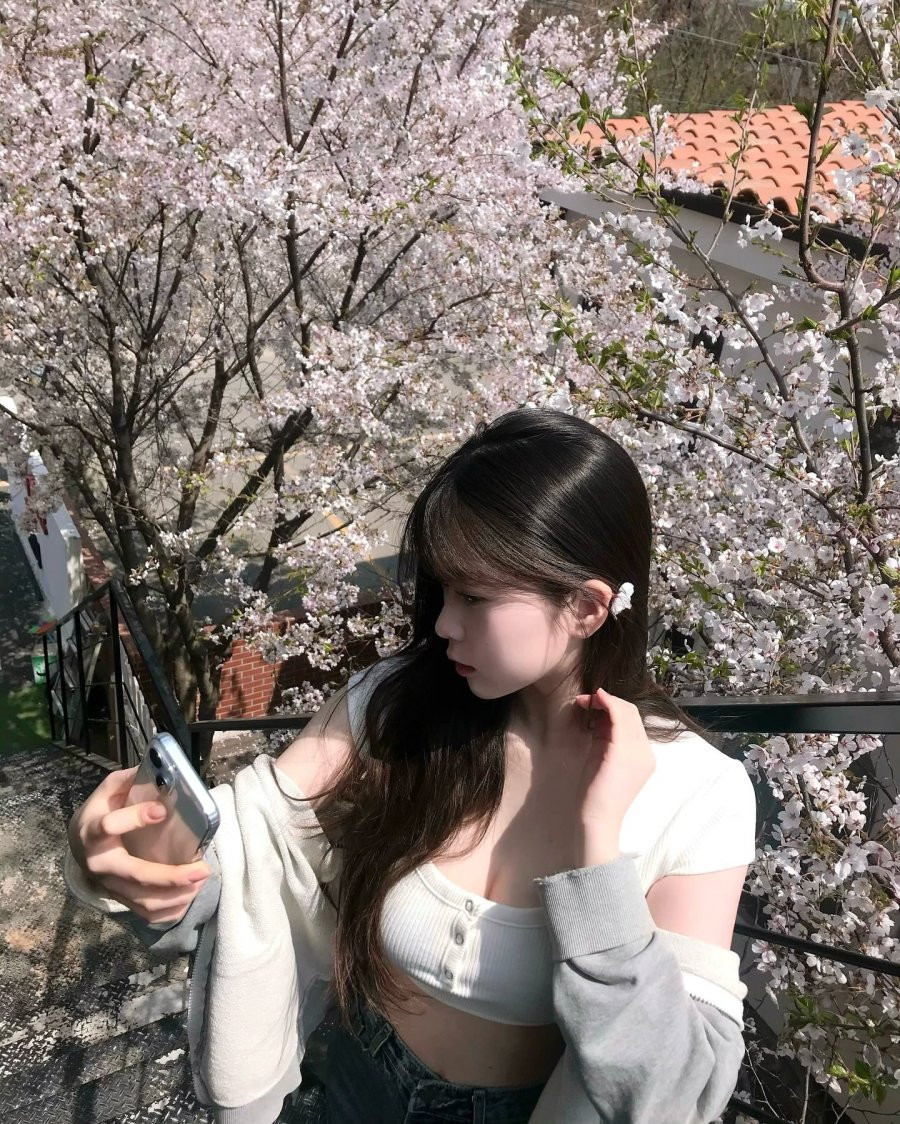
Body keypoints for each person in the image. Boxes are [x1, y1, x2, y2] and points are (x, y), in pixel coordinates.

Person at [64, 408, 757, 1124]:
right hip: (355, 1073)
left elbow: (668, 1091)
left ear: (585, 607)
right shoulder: (400, 702)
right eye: (443, 588)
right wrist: (139, 855)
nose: (443, 624)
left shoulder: (701, 796)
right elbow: (254, 850)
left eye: (475, 596)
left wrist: (598, 847)